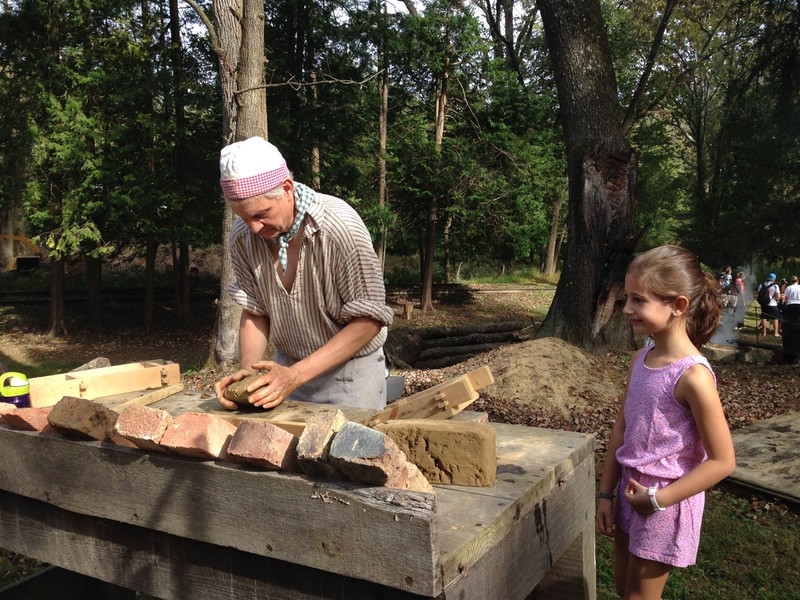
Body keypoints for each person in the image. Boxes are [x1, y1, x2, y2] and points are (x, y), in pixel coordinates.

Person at [213, 137, 394, 411]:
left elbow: (369, 321)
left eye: (261, 214)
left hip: (349, 377)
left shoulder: (339, 228)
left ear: (286, 189)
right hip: (284, 370)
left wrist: (296, 376)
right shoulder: (242, 236)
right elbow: (255, 310)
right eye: (243, 217)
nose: (253, 228)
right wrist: (250, 376)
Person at [596, 245, 736, 600]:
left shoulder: (693, 377)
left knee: (640, 597)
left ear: (678, 305)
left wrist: (659, 499)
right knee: (623, 589)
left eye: (638, 300)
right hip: (631, 492)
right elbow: (622, 430)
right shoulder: (642, 357)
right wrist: (606, 492)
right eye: (627, 298)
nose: (626, 309)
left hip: (664, 506)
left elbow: (723, 461)